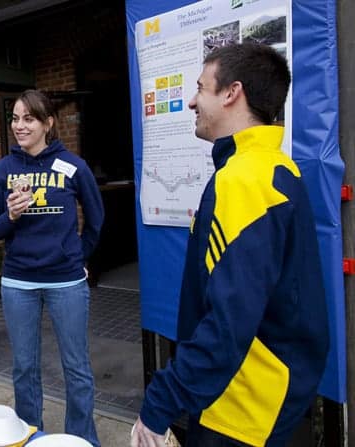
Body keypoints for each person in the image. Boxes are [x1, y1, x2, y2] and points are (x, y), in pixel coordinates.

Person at [131, 43, 329, 446]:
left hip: (241, 407)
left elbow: (228, 322)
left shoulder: (242, 180)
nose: (190, 101)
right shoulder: (275, 168)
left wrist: (160, 404)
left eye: (201, 88)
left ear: (231, 93)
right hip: (261, 394)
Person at [0, 89, 104, 446]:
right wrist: (12, 215)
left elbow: (96, 220)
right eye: (16, 118)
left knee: (77, 370)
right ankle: (28, 435)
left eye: (29, 118)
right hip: (18, 283)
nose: (19, 126)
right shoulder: (1, 171)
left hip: (66, 283)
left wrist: (76, 257)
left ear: (48, 123)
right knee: (24, 369)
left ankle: (83, 440)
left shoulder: (72, 166)